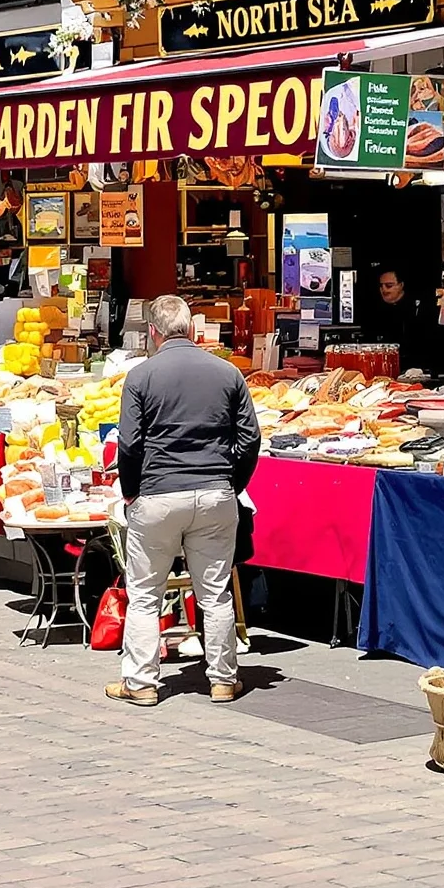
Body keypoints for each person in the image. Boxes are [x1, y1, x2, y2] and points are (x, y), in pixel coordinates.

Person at [108, 293, 261, 707]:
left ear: (153, 333)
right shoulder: (227, 373)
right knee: (215, 593)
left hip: (158, 494)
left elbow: (129, 443)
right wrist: (233, 482)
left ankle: (140, 683)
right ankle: (223, 679)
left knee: (144, 593)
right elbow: (250, 439)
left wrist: (131, 491)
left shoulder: (141, 377)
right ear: (191, 330)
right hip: (215, 493)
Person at [363, 264, 444, 376]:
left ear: (401, 285)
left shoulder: (419, 308)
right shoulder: (374, 311)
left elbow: (431, 342)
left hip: (414, 371)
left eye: (389, 285)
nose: (384, 290)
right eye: (381, 286)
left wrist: (424, 369)